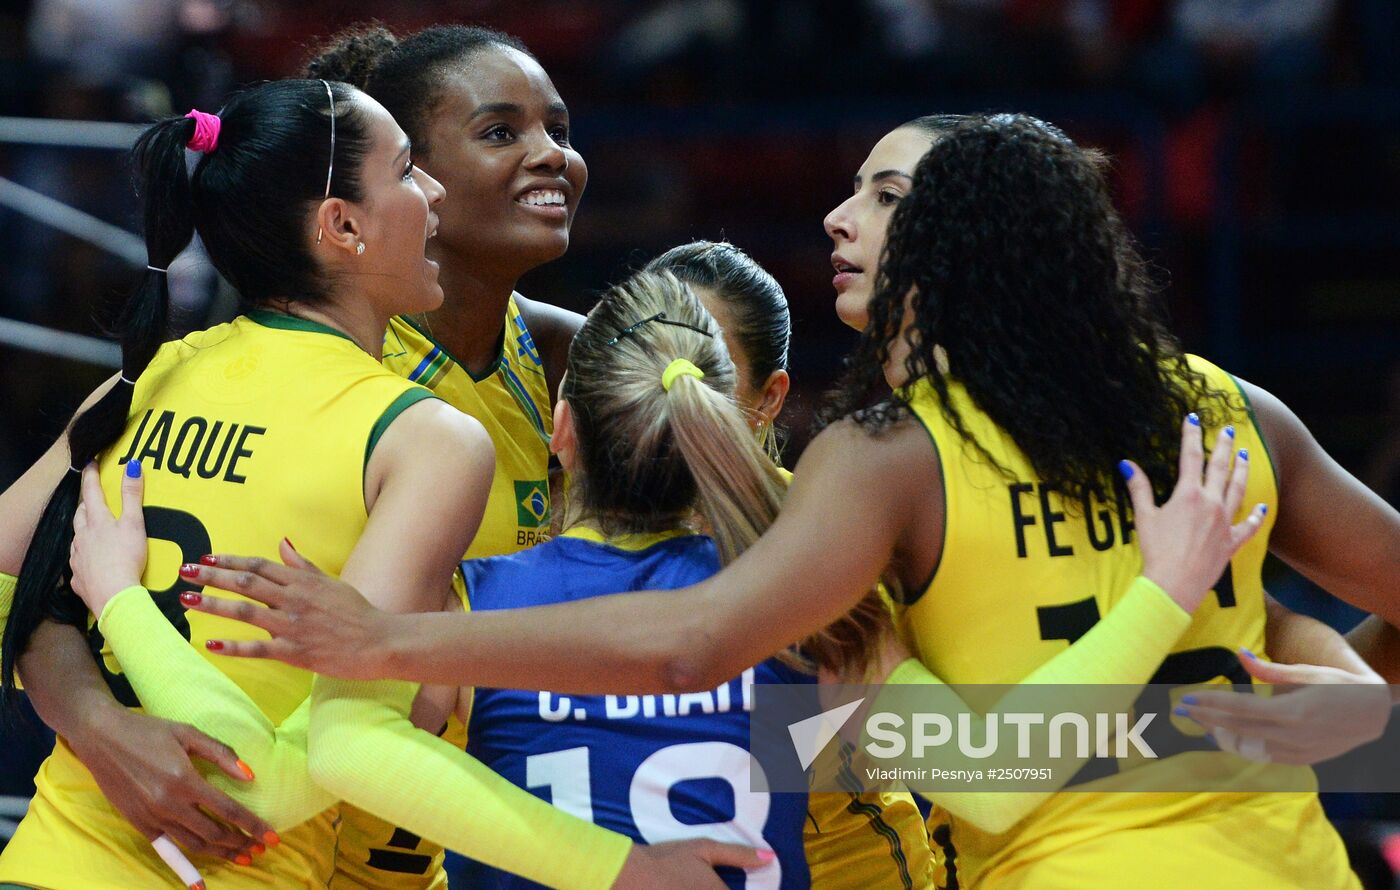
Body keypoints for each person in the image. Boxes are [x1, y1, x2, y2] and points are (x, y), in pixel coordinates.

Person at [170, 114, 1393, 888]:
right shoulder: (1225, 409)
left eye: (884, 195)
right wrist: (1348, 698)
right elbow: (1023, 738)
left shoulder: (882, 461)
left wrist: (387, 638)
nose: (836, 216)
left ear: (965, 237)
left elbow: (704, 644)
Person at [0, 79, 755, 890]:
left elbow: (12, 580)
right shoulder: (425, 438)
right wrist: (624, 870)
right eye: (405, 170)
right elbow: (346, 751)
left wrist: (97, 713)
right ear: (342, 225)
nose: (432, 191)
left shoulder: (155, 373)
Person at [304, 24, 588, 885]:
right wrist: (102, 725)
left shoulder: (577, 357)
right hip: (300, 839)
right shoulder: (327, 363)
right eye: (502, 131)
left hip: (485, 838)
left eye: (559, 130)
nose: (552, 155)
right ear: (410, 176)